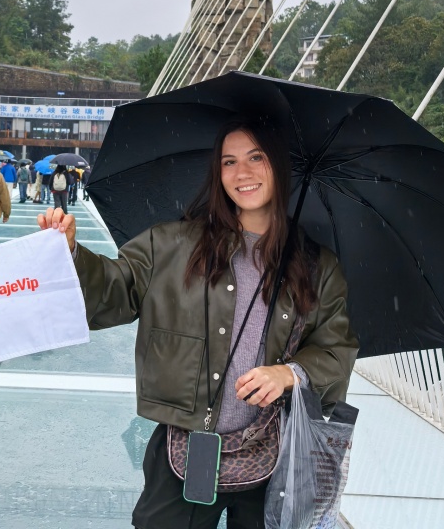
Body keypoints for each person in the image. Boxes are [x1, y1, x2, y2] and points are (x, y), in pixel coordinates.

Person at [37, 116, 358, 529]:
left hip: (274, 456)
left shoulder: (318, 266)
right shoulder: (171, 245)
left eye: (256, 157)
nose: (242, 173)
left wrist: (289, 372)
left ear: (279, 166)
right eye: (228, 161)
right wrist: (71, 253)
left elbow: (337, 348)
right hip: (185, 446)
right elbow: (113, 292)